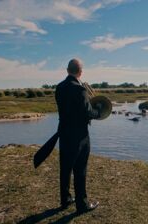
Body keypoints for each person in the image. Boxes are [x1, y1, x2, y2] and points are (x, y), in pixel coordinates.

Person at [55, 58, 101, 213]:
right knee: (80, 169)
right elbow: (87, 112)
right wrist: (99, 112)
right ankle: (82, 204)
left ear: (67, 70)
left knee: (65, 168)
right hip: (80, 136)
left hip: (64, 133)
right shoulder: (80, 90)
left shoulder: (59, 87)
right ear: (80, 72)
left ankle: (65, 199)